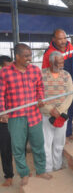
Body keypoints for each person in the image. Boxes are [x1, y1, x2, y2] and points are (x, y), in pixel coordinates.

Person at [0, 44, 52, 186]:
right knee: (17, 148)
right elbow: (1, 94)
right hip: (15, 117)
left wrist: (40, 97)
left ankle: (41, 170)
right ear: (17, 56)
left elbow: (40, 87)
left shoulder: (35, 70)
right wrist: (3, 112)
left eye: (30, 55)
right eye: (26, 56)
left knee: (38, 144)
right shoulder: (5, 72)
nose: (30, 58)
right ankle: (24, 173)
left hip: (34, 115)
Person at [41, 51, 73, 173]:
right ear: (51, 62)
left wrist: (59, 110)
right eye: (59, 62)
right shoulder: (41, 75)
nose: (61, 63)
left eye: (62, 61)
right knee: (46, 144)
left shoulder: (66, 75)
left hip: (62, 116)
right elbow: (38, 96)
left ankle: (57, 166)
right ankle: (48, 168)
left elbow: (70, 96)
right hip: (45, 115)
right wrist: (50, 110)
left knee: (59, 143)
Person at [42, 29, 73, 142]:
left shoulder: (70, 46)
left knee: (69, 108)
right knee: (55, 110)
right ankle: (58, 136)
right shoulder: (48, 53)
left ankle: (68, 132)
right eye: (60, 39)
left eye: (64, 38)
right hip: (55, 85)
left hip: (69, 81)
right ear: (53, 39)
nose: (63, 41)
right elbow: (46, 74)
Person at [0, 55, 14, 187]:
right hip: (2, 120)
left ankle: (21, 172)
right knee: (5, 148)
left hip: (14, 118)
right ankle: (9, 175)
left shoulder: (13, 80)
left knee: (15, 147)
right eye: (6, 68)